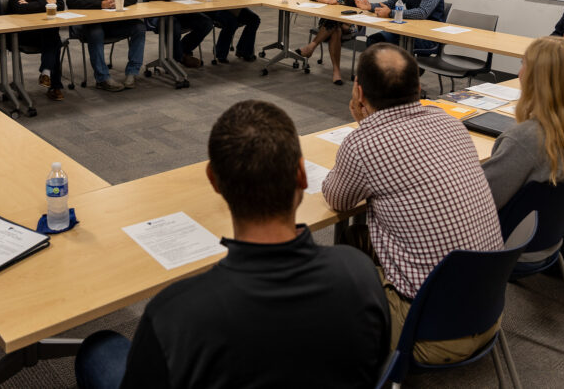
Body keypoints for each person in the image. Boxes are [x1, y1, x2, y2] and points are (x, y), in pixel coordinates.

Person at [74, 101, 390, 389]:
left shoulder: (174, 314)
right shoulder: (360, 272)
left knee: (99, 350)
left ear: (213, 180)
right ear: (301, 175)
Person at [322, 43, 503, 363]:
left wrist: (362, 127)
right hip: (489, 313)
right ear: (419, 88)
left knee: (327, 272)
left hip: (428, 333)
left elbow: (337, 199)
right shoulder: (449, 122)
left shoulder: (363, 144)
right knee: (358, 239)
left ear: (359, 92)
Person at [481, 37, 564, 262]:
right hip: (549, 239)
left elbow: (481, 200)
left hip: (506, 245)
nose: (519, 73)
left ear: (535, 78)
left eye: (523, 64)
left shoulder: (526, 138)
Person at [67, 0, 145, 91]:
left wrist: (117, 2)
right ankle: (102, 78)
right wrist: (101, 4)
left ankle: (132, 72)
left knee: (139, 27)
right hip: (87, 27)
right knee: (96, 31)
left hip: (112, 24)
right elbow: (73, 1)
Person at [296, 0, 365, 85]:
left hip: (349, 22)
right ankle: (336, 72)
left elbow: (362, 4)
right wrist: (326, 1)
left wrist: (358, 6)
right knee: (336, 30)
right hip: (331, 22)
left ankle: (311, 46)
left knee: (337, 24)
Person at [6, 0, 66, 100]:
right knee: (54, 40)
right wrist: (46, 3)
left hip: (44, 32)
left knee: (52, 34)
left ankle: (46, 73)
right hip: (23, 34)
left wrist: (30, 6)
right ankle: (54, 83)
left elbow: (60, 5)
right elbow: (19, 9)